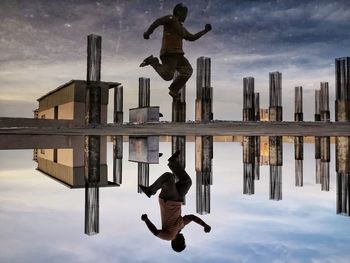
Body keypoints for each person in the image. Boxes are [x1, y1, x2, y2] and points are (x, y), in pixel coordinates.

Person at [139, 150, 211, 252]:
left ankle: (150, 191)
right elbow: (192, 217)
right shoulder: (181, 226)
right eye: (184, 241)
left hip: (168, 201)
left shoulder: (169, 236)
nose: (183, 239)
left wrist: (146, 220)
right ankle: (173, 162)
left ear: (174, 242)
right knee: (187, 182)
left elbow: (155, 232)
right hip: (178, 199)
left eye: (182, 242)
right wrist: (205, 225)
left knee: (168, 177)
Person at [140, 3, 212, 99]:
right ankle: (153, 61)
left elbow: (192, 37)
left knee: (188, 70)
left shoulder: (182, 28)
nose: (186, 15)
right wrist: (148, 32)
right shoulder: (171, 19)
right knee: (168, 76)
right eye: (184, 13)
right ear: (178, 12)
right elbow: (158, 22)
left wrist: (205, 31)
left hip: (178, 55)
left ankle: (174, 90)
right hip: (169, 53)